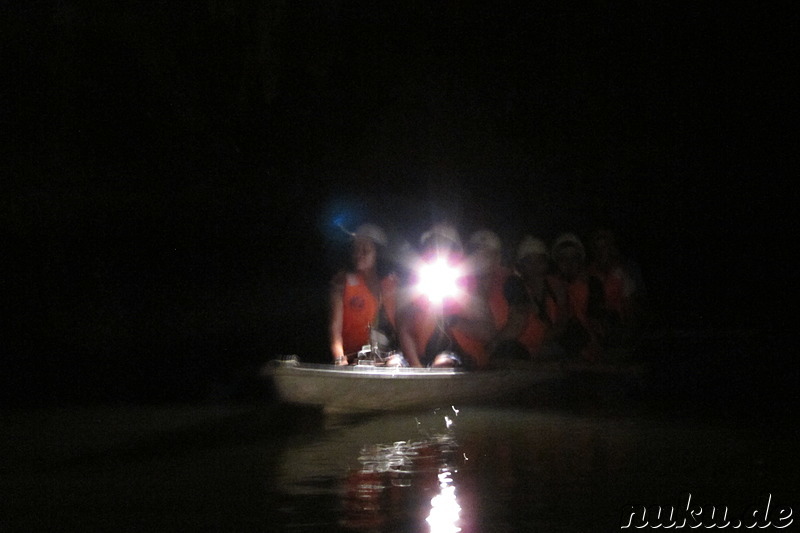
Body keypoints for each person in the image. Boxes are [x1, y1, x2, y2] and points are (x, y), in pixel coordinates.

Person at [395, 223, 495, 369]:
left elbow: (487, 332)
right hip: (424, 359)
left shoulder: (470, 287)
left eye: (443, 244)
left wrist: (452, 320)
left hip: (467, 359)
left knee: (444, 360)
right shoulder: (414, 285)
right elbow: (404, 328)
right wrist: (416, 366)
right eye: (431, 245)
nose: (436, 249)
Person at [329, 224, 398, 365]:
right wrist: (340, 360)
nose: (358, 254)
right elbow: (334, 330)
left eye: (365, 249)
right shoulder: (342, 282)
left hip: (385, 357)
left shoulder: (392, 284)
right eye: (356, 249)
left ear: (377, 253)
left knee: (395, 363)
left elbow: (402, 327)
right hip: (352, 358)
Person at [491, 236, 568, 360]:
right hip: (525, 349)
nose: (534, 266)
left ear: (546, 263)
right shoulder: (516, 286)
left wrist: (546, 338)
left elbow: (563, 320)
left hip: (551, 348)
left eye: (539, 261)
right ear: (521, 266)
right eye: (529, 262)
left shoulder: (555, 287)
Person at [586, 229, 646, 351]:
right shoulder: (587, 273)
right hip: (594, 326)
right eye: (597, 248)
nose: (601, 252)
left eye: (605, 247)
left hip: (619, 325)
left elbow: (632, 306)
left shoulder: (623, 271)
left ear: (612, 247)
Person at [551, 232, 605, 361]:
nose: (569, 263)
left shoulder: (592, 283)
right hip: (560, 340)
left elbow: (596, 316)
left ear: (580, 260)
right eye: (563, 258)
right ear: (557, 262)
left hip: (587, 339)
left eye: (574, 258)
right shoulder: (549, 286)